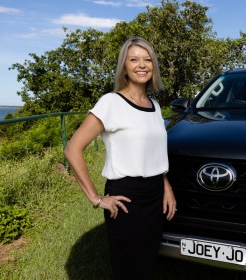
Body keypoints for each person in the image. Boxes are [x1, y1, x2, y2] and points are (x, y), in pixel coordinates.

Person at [64, 37, 177, 280]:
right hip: (127, 197)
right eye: (134, 59)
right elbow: (72, 149)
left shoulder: (154, 106)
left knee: (147, 265)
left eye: (148, 60)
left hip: (155, 194)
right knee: (129, 269)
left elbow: (154, 152)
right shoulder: (110, 103)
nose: (142, 65)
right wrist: (96, 199)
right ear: (124, 67)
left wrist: (166, 187)